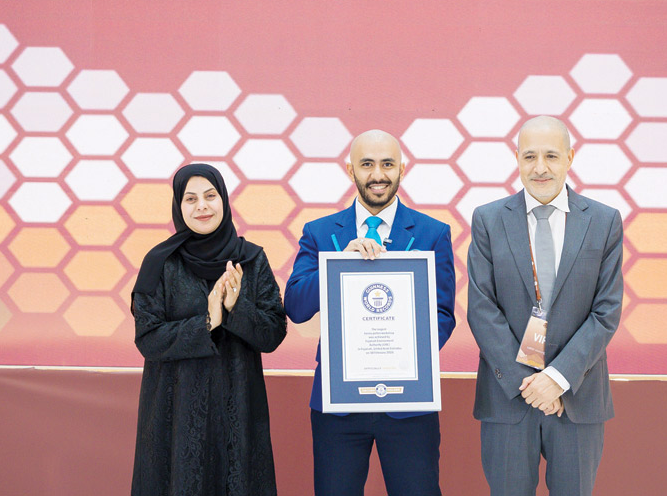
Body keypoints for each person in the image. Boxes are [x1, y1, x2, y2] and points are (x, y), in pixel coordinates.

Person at [284, 129, 456, 496]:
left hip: (410, 404)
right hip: (338, 405)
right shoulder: (320, 233)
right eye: (367, 164)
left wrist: (403, 357)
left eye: (387, 164)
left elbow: (443, 315)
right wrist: (337, 264)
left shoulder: (433, 233)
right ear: (351, 170)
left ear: (402, 169)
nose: (378, 174)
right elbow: (295, 306)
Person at [467, 116, 623, 496]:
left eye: (551, 156)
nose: (540, 168)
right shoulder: (488, 220)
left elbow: (606, 312)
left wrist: (556, 379)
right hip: (508, 399)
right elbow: (482, 308)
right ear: (517, 159)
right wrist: (529, 385)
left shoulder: (604, 221)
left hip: (577, 397)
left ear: (570, 157)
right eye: (530, 156)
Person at [130, 163, 287, 496]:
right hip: (174, 417)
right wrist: (208, 321)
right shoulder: (160, 263)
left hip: (239, 412)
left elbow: (273, 333)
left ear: (224, 200)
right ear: (179, 206)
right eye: (190, 199)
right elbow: (148, 339)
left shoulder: (251, 259)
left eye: (210, 196)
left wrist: (236, 308)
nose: (202, 206)